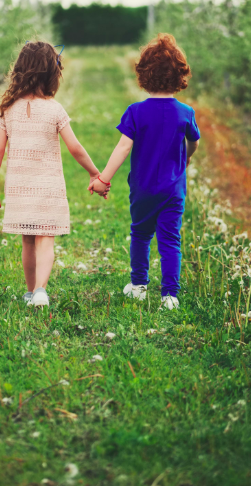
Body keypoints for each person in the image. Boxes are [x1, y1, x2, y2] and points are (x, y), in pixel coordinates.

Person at [0, 41, 101, 308]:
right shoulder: (54, 109)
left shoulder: (8, 110)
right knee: (45, 239)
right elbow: (75, 147)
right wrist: (95, 173)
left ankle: (30, 292)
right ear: (51, 73)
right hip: (48, 187)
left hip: (19, 187)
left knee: (27, 241)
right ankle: (40, 290)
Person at [90, 33, 200, 310]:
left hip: (143, 188)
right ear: (180, 76)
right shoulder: (185, 113)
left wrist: (103, 178)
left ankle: (139, 285)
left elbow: (123, 148)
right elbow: (194, 141)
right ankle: (169, 295)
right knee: (170, 239)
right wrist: (185, 159)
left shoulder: (136, 112)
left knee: (140, 234)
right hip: (173, 189)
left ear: (144, 75)